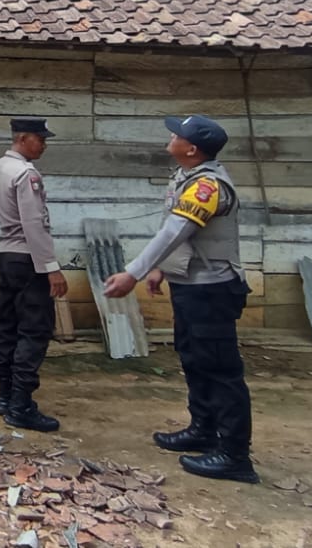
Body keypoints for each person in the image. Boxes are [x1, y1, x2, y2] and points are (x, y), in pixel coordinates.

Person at [104, 115, 258, 484]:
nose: (171, 137)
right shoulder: (188, 177)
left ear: (191, 149)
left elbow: (175, 230)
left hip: (212, 289)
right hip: (192, 285)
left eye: (178, 135)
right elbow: (181, 236)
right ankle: (204, 429)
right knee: (194, 360)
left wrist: (134, 272)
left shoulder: (208, 186)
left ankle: (235, 455)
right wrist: (162, 269)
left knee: (221, 372)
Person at [0, 116, 67, 432]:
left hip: (8, 255)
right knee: (34, 330)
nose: (44, 144)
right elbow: (34, 224)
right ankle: (21, 404)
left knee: (8, 326)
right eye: (40, 138)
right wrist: (51, 268)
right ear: (23, 138)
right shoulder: (25, 173)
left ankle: (5, 395)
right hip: (28, 258)